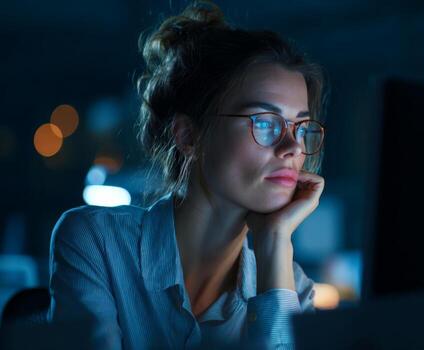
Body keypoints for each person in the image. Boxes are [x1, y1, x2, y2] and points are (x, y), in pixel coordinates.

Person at [47, 1, 329, 349]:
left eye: (301, 127)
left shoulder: (290, 289)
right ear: (188, 136)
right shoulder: (97, 243)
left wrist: (274, 241)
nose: (292, 147)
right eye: (265, 123)